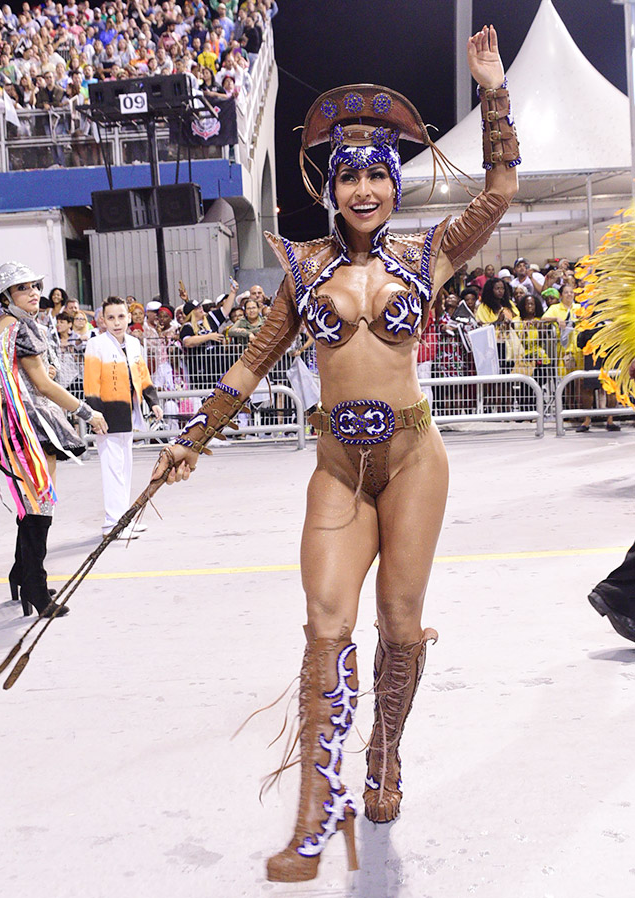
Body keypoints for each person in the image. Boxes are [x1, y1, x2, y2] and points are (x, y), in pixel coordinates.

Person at [153, 26, 518, 882]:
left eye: (376, 176)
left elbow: (499, 188)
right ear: (331, 187)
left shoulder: (430, 251)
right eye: (349, 175)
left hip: (415, 462)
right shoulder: (301, 267)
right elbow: (251, 360)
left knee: (398, 623)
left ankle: (384, 754)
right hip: (337, 471)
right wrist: (191, 436)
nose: (362, 188)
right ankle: (323, 789)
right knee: (325, 624)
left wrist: (492, 94)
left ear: (393, 186)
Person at [0, 261, 107, 616]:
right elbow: (44, 385)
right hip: (26, 424)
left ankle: (22, 572)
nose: (33, 292)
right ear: (6, 296)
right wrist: (87, 412)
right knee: (39, 506)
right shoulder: (21, 328)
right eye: (23, 288)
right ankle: (34, 585)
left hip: (6, 423)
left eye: (35, 286)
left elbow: (17, 375)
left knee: (31, 506)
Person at [83, 295, 163, 537]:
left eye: (120, 316)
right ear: (102, 320)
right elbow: (91, 385)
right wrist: (95, 416)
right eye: (110, 317)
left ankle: (122, 519)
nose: (116, 322)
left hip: (129, 413)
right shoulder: (96, 344)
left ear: (128, 317)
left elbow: (143, 375)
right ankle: (112, 522)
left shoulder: (134, 343)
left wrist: (154, 402)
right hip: (107, 415)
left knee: (124, 468)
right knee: (112, 469)